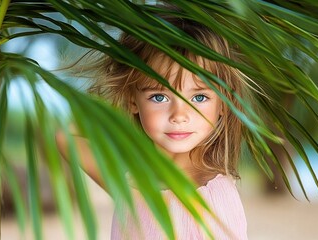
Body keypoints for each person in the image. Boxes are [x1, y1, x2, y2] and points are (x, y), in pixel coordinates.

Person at [57, 4, 249, 240]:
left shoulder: (216, 199)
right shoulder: (129, 180)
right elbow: (65, 138)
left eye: (199, 97)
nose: (179, 115)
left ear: (223, 104)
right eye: (159, 97)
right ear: (133, 100)